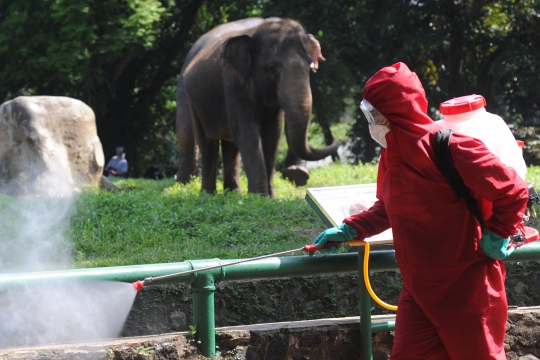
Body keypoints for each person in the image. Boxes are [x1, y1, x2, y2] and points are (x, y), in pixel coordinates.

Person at [311, 62, 528, 359]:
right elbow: (389, 209)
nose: (371, 120)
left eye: (374, 112)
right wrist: (350, 229)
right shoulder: (390, 156)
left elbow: (513, 190)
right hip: (419, 291)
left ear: (396, 110)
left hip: (468, 288)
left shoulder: (452, 147)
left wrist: (497, 234)